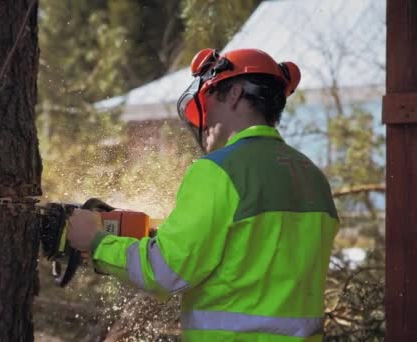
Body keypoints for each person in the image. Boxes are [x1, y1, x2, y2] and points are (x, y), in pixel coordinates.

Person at [68, 48, 339, 341]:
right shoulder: (312, 177)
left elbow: (164, 273)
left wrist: (95, 242)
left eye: (208, 101)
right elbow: (255, 258)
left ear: (234, 94)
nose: (204, 119)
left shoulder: (218, 171)